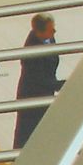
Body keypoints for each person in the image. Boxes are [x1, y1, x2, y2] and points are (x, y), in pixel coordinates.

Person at [13, 12, 62, 149]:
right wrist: (62, 85)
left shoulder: (49, 38)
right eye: (51, 29)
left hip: (45, 94)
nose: (54, 31)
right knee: (28, 135)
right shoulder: (32, 50)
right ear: (40, 32)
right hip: (32, 98)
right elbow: (39, 80)